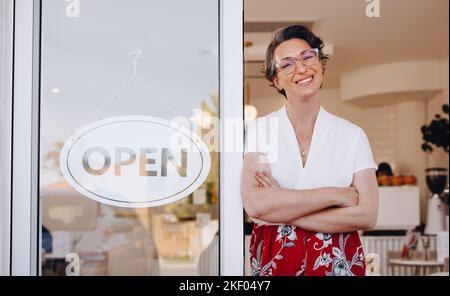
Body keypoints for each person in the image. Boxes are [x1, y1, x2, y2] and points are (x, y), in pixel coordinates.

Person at [241, 25, 379, 276]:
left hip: (338, 262)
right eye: (288, 64)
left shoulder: (353, 135)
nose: (302, 68)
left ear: (320, 64)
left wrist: (282, 208)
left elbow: (367, 215)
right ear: (276, 79)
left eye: (307, 57)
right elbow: (256, 204)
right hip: (276, 259)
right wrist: (335, 195)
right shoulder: (261, 130)